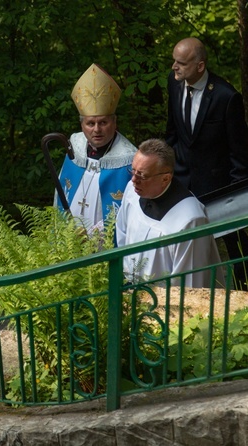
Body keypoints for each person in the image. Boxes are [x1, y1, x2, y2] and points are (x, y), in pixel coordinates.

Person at [165, 37, 248, 289]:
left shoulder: (226, 97)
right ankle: (184, 289)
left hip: (218, 187)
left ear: (200, 66)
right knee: (177, 239)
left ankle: (243, 291)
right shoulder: (174, 83)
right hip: (181, 180)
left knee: (236, 247)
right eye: (174, 61)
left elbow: (240, 153)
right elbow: (172, 133)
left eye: (181, 63)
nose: (174, 67)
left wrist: (237, 197)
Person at [116, 139, 221, 287]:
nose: (134, 180)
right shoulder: (132, 191)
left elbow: (189, 282)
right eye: (132, 171)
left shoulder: (190, 220)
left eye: (142, 175)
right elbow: (122, 235)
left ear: (165, 178)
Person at [55, 63, 137, 231]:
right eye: (90, 123)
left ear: (114, 122)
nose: (97, 130)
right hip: (72, 239)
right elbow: (62, 194)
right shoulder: (74, 148)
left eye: (103, 122)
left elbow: (133, 212)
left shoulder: (129, 159)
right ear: (82, 124)